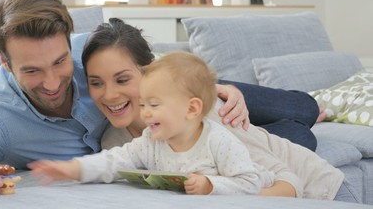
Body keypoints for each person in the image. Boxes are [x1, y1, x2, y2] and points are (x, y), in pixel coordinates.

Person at [0, 0, 255, 198]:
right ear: (5, 62)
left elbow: (148, 66)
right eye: (32, 71)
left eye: (59, 62)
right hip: (160, 136)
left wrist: (214, 87)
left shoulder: (88, 51)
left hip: (179, 108)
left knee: (266, 106)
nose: (53, 83)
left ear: (69, 43)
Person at [79, 18, 358, 202]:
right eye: (96, 83)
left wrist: (215, 188)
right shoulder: (112, 140)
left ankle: (310, 110)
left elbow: (286, 181)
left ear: (151, 73)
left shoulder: (205, 120)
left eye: (122, 79)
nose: (109, 94)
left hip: (320, 191)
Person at [28, 51, 274, 195]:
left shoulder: (219, 141)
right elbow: (114, 161)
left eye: (154, 106)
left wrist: (210, 185)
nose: (145, 114)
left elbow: (250, 182)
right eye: (143, 104)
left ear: (192, 109)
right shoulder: (149, 141)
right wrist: (72, 169)